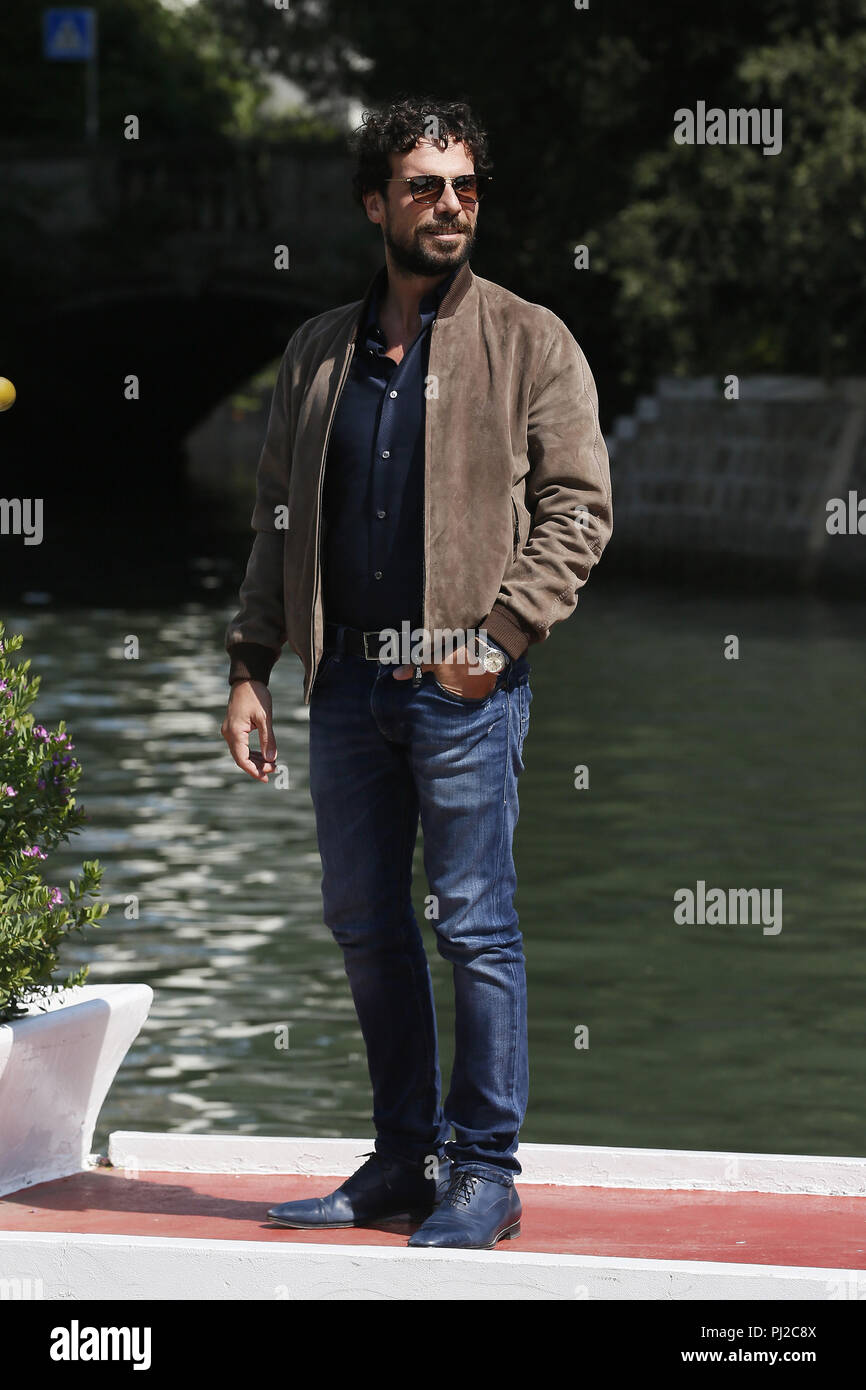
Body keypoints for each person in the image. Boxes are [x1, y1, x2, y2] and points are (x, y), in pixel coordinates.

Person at [221, 96, 612, 1250]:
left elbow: (577, 511)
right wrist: (250, 662)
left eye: (465, 186)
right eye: (425, 186)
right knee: (361, 922)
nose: (450, 205)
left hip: (460, 690)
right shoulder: (316, 352)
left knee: (475, 927)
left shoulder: (529, 339)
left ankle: (484, 1170)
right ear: (375, 204)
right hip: (343, 687)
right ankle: (403, 1158)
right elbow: (275, 519)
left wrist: (496, 642)